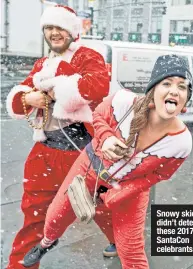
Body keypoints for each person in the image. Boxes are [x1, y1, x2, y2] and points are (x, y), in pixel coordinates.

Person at [23, 54, 193, 269]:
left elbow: (161, 174)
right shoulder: (123, 102)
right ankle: (46, 243)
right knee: (55, 217)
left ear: (186, 99)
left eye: (182, 87)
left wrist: (124, 190)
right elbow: (98, 116)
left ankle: (116, 242)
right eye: (166, 83)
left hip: (131, 189)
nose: (174, 90)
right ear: (153, 90)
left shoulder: (181, 142)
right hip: (88, 167)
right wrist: (106, 138)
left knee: (131, 251)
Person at [6, 5, 116, 269]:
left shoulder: (88, 56)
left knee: (103, 208)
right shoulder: (42, 63)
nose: (54, 33)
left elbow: (96, 87)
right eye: (49, 28)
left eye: (60, 28)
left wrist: (53, 88)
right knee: (33, 215)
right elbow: (21, 98)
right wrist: (26, 97)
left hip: (81, 152)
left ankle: (123, 242)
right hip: (44, 152)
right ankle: (19, 265)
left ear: (72, 31)